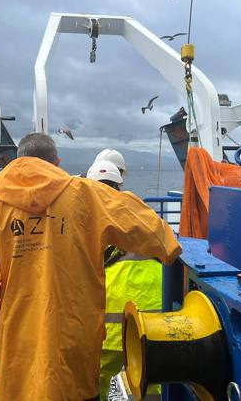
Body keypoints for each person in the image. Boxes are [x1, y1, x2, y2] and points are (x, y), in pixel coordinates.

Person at [0, 133, 182, 400]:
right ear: (57, 162)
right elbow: (152, 230)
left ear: (18, 161)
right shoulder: (87, 195)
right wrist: (171, 251)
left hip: (19, 343)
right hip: (74, 339)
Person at [86, 161, 162, 401]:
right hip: (148, 315)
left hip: (107, 320)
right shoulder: (139, 210)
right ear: (119, 186)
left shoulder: (83, 217)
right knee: (152, 379)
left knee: (94, 379)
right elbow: (169, 247)